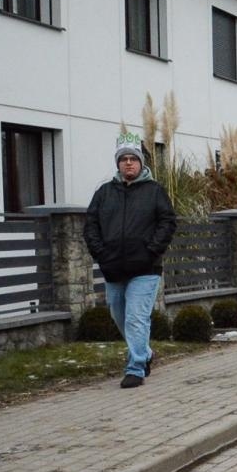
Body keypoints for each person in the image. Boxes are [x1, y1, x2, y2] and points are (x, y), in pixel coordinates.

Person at [84, 131, 177, 389]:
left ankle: (136, 367)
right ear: (118, 163)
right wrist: (100, 253)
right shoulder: (104, 193)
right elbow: (90, 225)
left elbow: (167, 222)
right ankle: (144, 352)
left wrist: (151, 251)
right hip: (113, 268)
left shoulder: (154, 191)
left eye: (133, 159)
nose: (128, 163)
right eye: (123, 158)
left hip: (145, 268)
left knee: (136, 317)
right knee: (120, 316)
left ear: (141, 163)